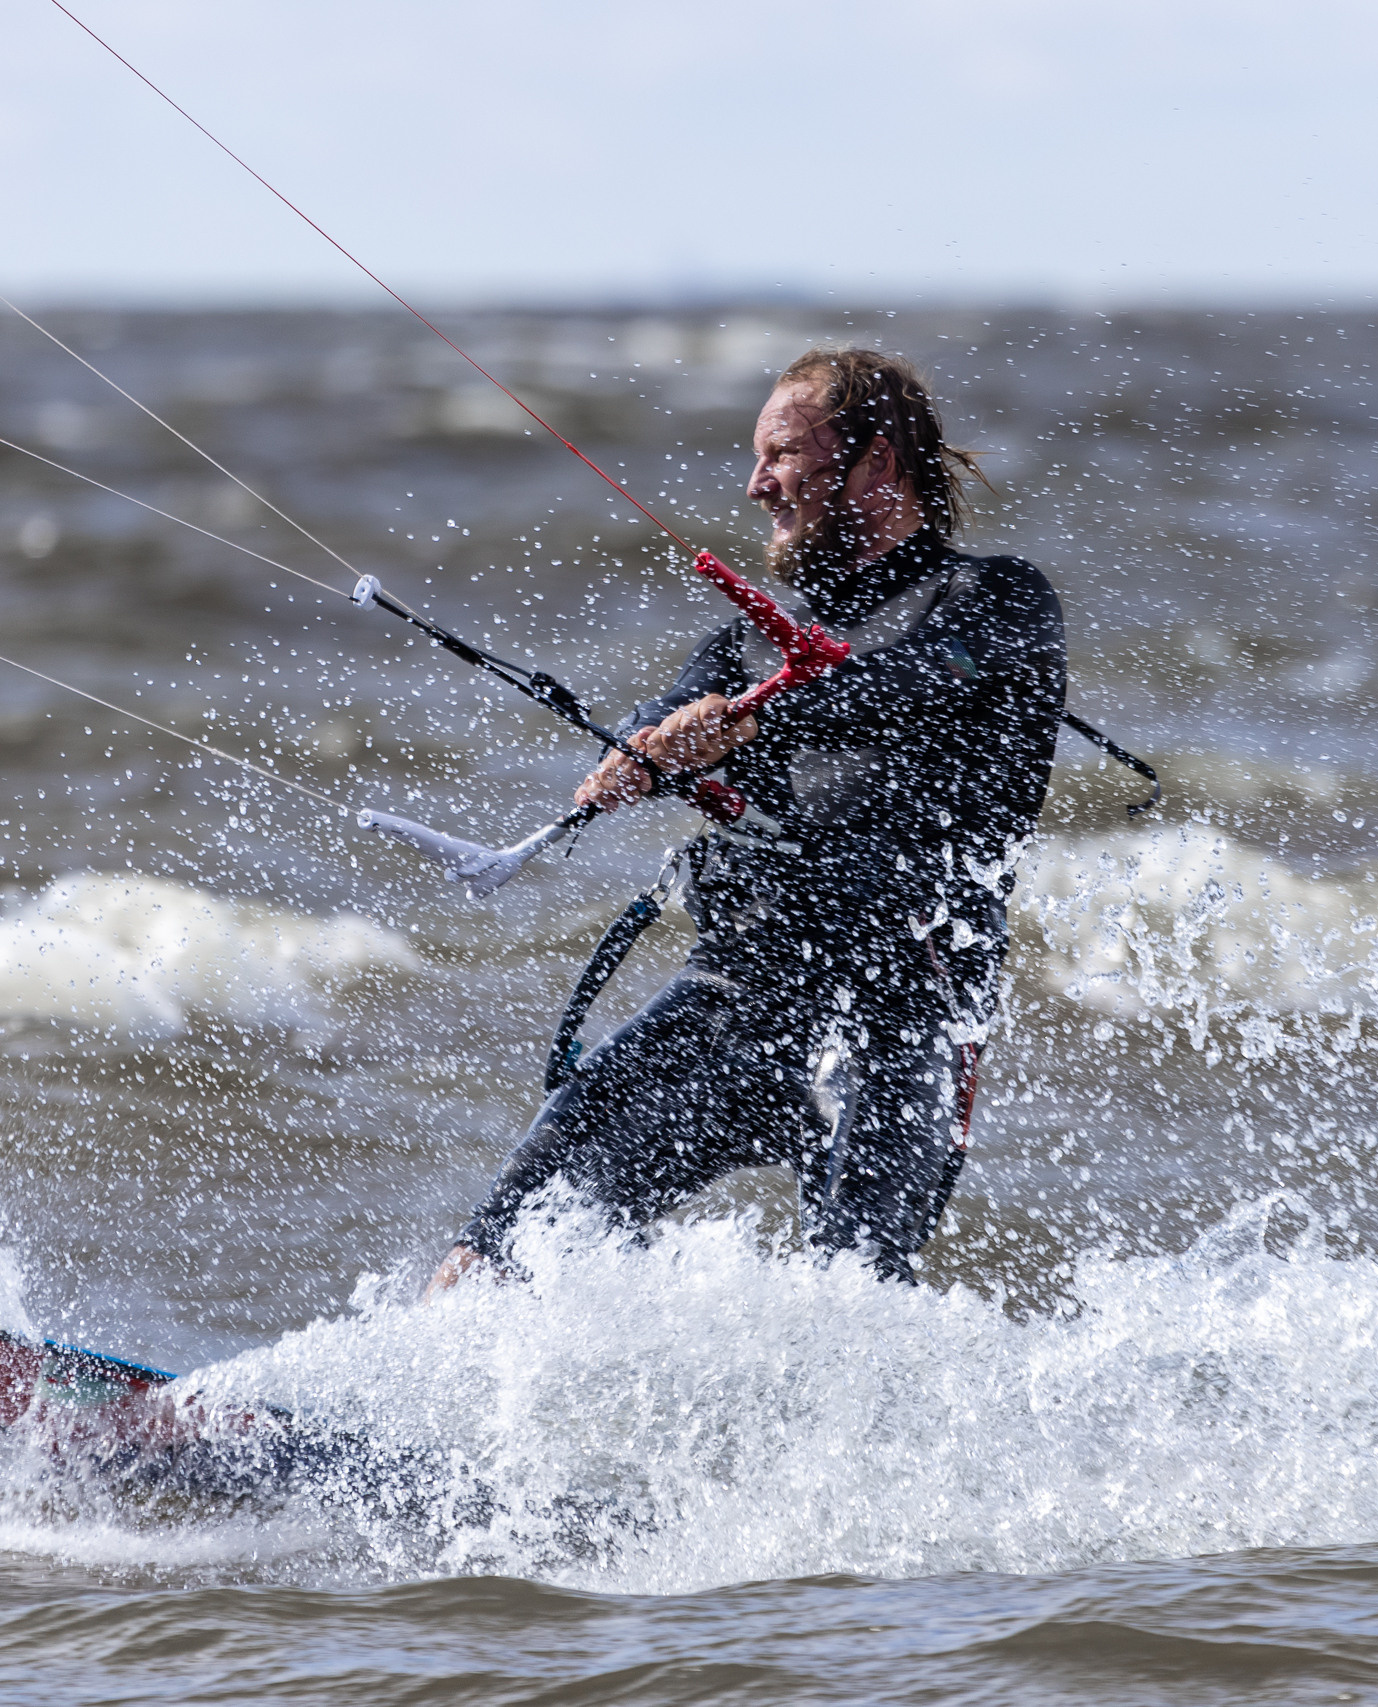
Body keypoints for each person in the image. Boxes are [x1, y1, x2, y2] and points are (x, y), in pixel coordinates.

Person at [426, 347, 1066, 1290]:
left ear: (877, 462)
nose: (756, 483)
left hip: (900, 1019)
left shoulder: (994, 602)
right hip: (738, 989)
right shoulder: (744, 640)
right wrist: (640, 753)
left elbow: (910, 681)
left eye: (782, 454)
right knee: (500, 1242)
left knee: (853, 1288)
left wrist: (749, 720)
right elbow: (668, 711)